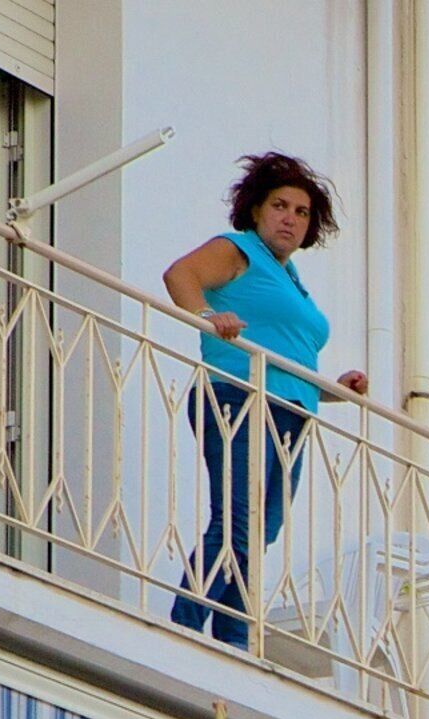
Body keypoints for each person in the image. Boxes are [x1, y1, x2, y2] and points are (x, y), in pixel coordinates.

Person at [161, 152, 368, 648]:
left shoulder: (291, 281)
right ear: (256, 209)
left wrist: (334, 389)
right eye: (280, 206)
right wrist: (209, 314)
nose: (290, 219)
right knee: (236, 523)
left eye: (301, 213)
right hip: (239, 399)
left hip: (290, 413)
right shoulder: (239, 250)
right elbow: (179, 276)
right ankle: (186, 627)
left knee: (259, 532)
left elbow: (285, 360)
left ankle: (233, 639)